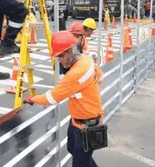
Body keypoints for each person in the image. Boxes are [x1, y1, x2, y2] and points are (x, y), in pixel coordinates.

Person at [24, 31, 104, 167]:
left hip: (87, 125)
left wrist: (33, 99)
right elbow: (100, 76)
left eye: (61, 55)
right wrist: (87, 91)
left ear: (72, 50)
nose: (59, 60)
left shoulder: (75, 74)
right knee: (72, 149)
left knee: (80, 163)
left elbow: (52, 98)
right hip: (77, 121)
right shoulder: (86, 59)